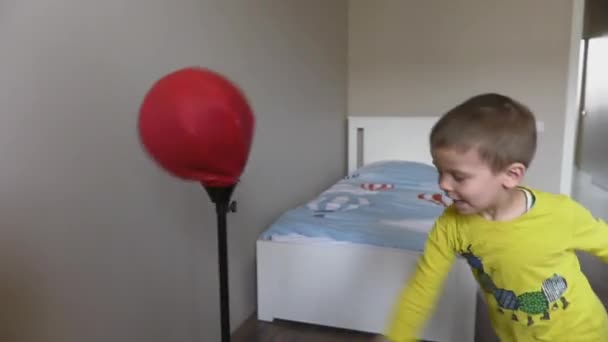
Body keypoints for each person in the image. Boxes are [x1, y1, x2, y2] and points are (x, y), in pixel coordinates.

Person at [380, 93, 608, 341]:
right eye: (439, 170)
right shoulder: (451, 225)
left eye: (458, 176)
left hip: (583, 333)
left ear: (510, 175)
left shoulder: (560, 214)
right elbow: (421, 290)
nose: (442, 184)